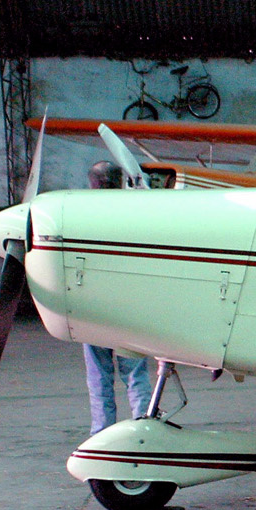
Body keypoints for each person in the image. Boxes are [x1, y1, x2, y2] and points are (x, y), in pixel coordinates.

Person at [82, 161, 154, 432]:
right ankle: (144, 428)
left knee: (99, 378)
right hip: (128, 307)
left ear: (94, 184)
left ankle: (101, 434)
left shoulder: (84, 216)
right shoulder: (134, 213)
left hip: (94, 308)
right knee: (136, 374)